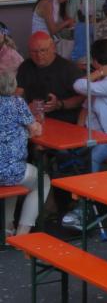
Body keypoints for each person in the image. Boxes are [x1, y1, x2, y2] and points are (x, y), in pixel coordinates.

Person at [0, 72, 48, 236]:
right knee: (43, 181)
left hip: (6, 171)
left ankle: (7, 229)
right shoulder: (16, 103)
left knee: (12, 182)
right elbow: (36, 129)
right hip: (11, 170)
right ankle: (22, 233)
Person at [72, 39, 107, 172]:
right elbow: (85, 107)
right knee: (66, 153)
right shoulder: (102, 82)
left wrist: (99, 72)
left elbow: (77, 85)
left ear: (95, 61)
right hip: (97, 137)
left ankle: (91, 190)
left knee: (93, 157)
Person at [16, 32, 83, 123]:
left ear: (53, 48)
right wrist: (25, 108)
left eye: (43, 50)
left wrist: (59, 104)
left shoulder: (68, 69)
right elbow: (16, 94)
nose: (39, 55)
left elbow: (83, 98)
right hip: (35, 120)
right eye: (34, 51)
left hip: (64, 121)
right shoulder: (26, 66)